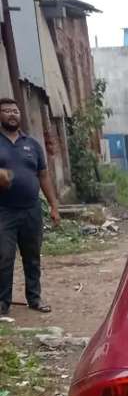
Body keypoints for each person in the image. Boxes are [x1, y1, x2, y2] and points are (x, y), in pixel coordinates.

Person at [0, 97, 60, 316]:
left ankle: (34, 298)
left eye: (15, 110)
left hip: (31, 209)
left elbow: (43, 175)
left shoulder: (32, 144)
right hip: (4, 211)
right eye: (6, 111)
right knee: (4, 256)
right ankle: (2, 303)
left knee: (32, 256)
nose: (12, 114)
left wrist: (53, 206)